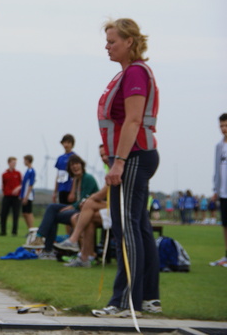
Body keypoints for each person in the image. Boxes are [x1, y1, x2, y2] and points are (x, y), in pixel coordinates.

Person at [93, 18, 161, 318]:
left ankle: (125, 301)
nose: (106, 46)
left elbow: (133, 120)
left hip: (132, 156)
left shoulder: (135, 73)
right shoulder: (128, 73)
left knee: (126, 227)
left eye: (112, 41)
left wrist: (117, 162)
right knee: (141, 228)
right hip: (135, 155)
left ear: (129, 42)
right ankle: (148, 298)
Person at [27, 154, 98, 259]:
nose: (75, 167)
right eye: (72, 165)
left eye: (77, 164)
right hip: (78, 208)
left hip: (86, 211)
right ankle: (45, 246)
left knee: (53, 214)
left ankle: (43, 242)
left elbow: (85, 200)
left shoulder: (88, 178)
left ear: (82, 165)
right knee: (52, 208)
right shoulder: (77, 180)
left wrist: (72, 206)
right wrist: (73, 184)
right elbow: (73, 198)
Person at [209, 113, 227, 267]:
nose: (224, 129)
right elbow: (217, 168)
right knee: (225, 224)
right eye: (221, 126)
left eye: (226, 125)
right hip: (223, 192)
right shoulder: (219, 146)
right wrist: (215, 189)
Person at [0, 157, 22, 236]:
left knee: (15, 214)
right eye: (13, 162)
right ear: (9, 163)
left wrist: (18, 190)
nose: (14, 164)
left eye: (15, 163)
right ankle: (3, 231)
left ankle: (14, 231)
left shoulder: (18, 173)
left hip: (16, 197)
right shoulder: (4, 174)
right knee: (4, 214)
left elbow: (21, 184)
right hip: (7, 196)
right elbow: (3, 185)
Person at [54, 134, 76, 204]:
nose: (66, 145)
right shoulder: (60, 158)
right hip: (61, 188)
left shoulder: (74, 157)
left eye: (68, 143)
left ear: (72, 144)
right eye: (65, 142)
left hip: (70, 188)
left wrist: (73, 191)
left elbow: (75, 176)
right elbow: (58, 175)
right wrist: (55, 191)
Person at [20, 154, 36, 231]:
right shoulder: (27, 170)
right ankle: (30, 229)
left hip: (29, 195)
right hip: (24, 195)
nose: (23, 162)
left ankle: (32, 229)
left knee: (28, 213)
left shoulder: (32, 171)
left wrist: (26, 196)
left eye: (24, 160)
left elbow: (30, 184)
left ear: (28, 161)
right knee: (24, 213)